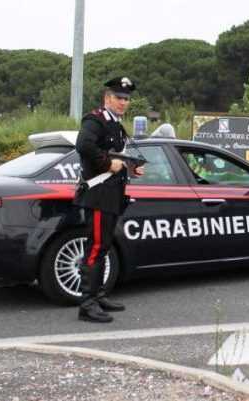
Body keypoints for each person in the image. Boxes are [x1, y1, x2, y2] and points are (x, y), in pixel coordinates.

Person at [74, 76, 144, 323]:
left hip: (112, 196)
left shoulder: (116, 125)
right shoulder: (96, 120)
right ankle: (87, 303)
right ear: (107, 98)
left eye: (127, 99)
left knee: (103, 247)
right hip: (98, 195)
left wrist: (130, 167)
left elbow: (118, 155)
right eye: (119, 98)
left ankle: (99, 294)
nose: (124, 102)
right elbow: (83, 145)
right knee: (94, 248)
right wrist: (107, 163)